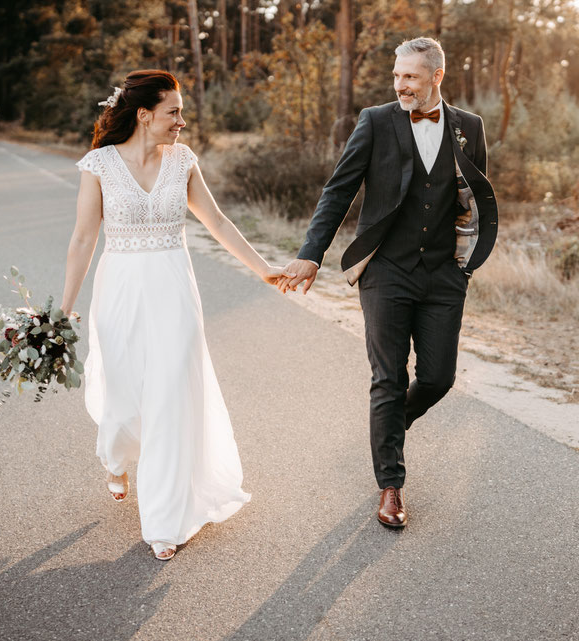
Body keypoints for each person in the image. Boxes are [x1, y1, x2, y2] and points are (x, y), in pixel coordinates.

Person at [60, 70, 284, 560]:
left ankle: (163, 522)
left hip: (175, 292)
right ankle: (115, 460)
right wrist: (64, 310)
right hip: (119, 292)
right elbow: (83, 239)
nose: (182, 121)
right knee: (123, 400)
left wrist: (264, 269)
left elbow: (217, 221)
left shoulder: (182, 161)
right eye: (173, 112)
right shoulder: (98, 164)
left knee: (169, 398)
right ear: (144, 115)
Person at [280, 37, 498, 529]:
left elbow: (475, 197)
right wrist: (311, 254)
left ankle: (389, 427)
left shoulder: (470, 127)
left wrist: (465, 265)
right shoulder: (375, 121)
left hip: (444, 273)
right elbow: (339, 190)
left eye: (411, 77)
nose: (400, 85)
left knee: (439, 377)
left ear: (436, 78)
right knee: (388, 376)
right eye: (397, 76)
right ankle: (391, 485)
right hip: (385, 271)